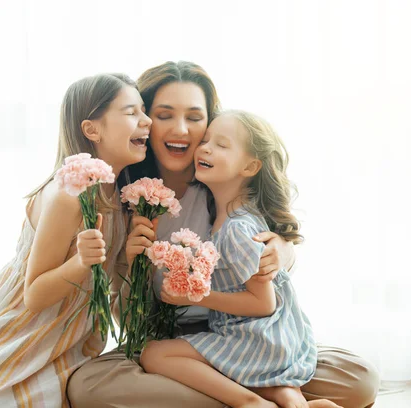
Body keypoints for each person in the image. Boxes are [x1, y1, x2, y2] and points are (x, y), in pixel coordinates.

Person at [67, 61, 379, 408]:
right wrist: (127, 265)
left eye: (195, 117)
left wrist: (284, 249)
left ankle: (230, 397)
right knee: (88, 388)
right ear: (145, 121)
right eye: (165, 115)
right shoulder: (126, 196)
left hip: (245, 339)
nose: (181, 130)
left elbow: (268, 275)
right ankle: (262, 397)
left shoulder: (227, 190)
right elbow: (124, 316)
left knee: (358, 378)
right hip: (176, 345)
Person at [0, 73, 152, 407]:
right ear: (93, 130)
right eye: (132, 112)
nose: (147, 121)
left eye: (144, 111)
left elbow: (115, 302)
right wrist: (80, 262)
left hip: (68, 346)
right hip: (21, 344)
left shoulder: (119, 197)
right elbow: (33, 294)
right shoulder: (68, 196)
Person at [140, 110, 339, 408]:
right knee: (286, 394)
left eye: (221, 145)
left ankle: (249, 402)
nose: (205, 148)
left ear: (250, 166)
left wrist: (195, 298)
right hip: (268, 338)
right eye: (206, 140)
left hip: (257, 338)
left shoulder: (237, 229)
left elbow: (263, 304)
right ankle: (289, 398)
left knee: (154, 354)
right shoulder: (229, 219)